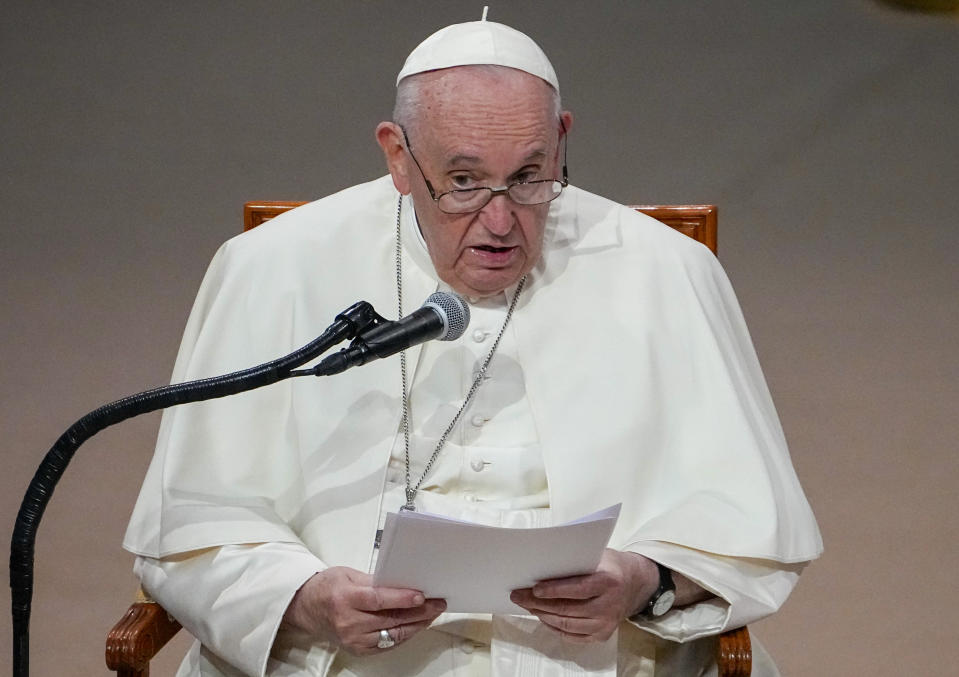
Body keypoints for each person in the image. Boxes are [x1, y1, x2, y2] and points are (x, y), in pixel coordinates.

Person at [124, 17, 822, 677]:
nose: (499, 221)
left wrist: (644, 580)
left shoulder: (666, 269)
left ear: (563, 138)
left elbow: (745, 527)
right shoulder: (271, 266)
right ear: (398, 156)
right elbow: (194, 524)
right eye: (461, 182)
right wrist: (308, 597)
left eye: (528, 176)